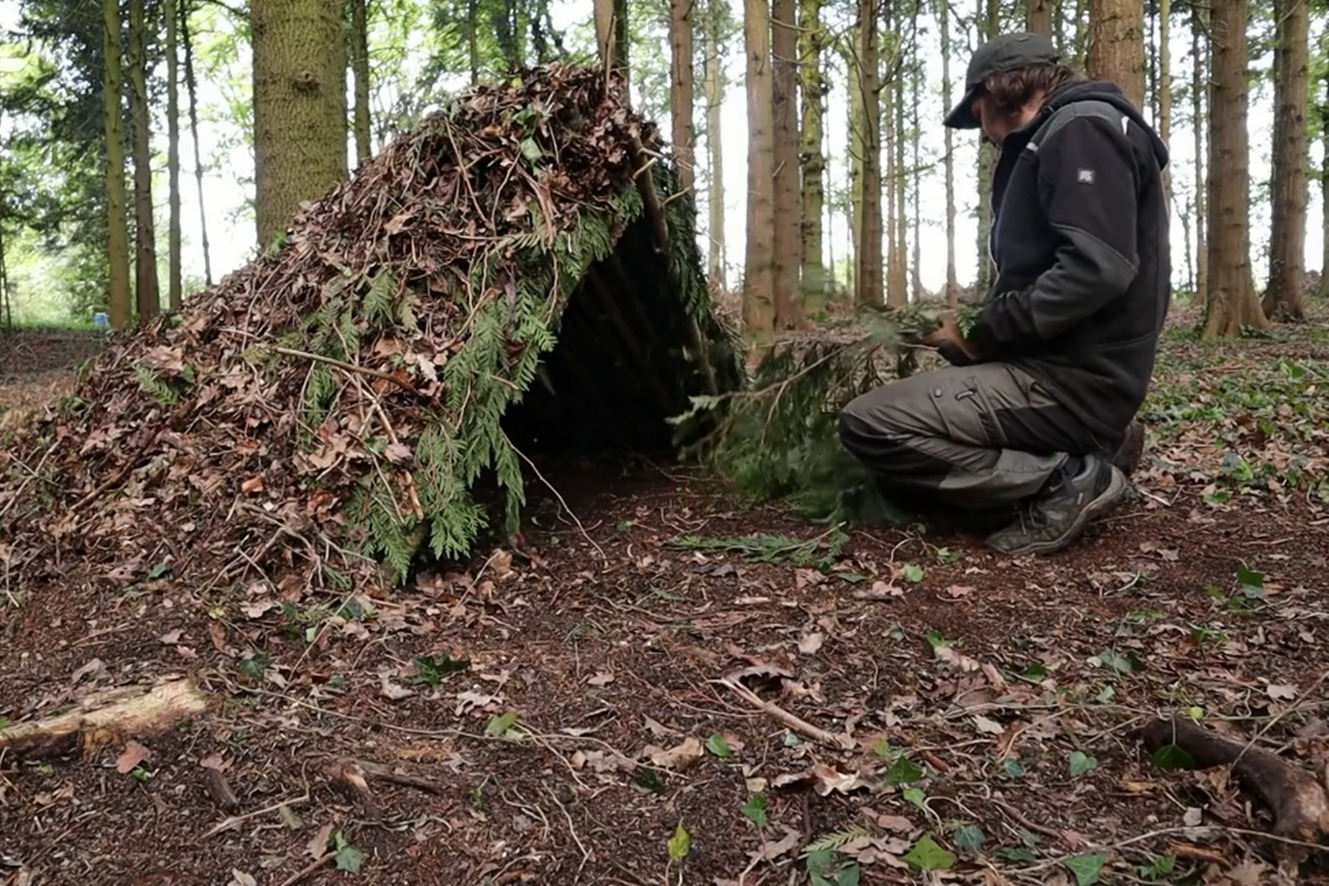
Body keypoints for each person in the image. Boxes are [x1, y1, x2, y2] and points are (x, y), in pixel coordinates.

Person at [839, 32, 1170, 556]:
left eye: (976, 115)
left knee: (872, 423)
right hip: (1068, 368)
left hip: (1071, 380)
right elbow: (1055, 274)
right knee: (911, 439)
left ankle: (1066, 475)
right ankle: (1096, 443)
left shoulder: (1082, 129)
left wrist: (982, 330)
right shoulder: (1071, 130)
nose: (983, 133)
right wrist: (972, 337)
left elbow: (1098, 270)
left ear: (999, 91)